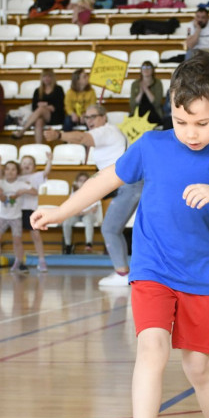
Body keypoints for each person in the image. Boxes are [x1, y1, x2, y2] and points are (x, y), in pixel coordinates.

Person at [30, 51, 209, 418]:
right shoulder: (152, 147)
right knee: (151, 348)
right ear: (171, 109)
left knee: (198, 367)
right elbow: (106, 179)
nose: (191, 133)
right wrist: (62, 210)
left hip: (199, 276)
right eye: (182, 121)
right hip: (152, 268)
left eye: (202, 123)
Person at [45, 104, 132, 286]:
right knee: (114, 229)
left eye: (93, 117)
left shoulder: (106, 131)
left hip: (129, 186)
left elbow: (82, 137)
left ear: (104, 117)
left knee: (109, 229)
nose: (89, 121)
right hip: (126, 186)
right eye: (86, 117)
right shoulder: (107, 133)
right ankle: (124, 272)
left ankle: (123, 274)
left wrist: (59, 135)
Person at [15, 151, 53, 273]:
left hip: (30, 210)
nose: (27, 165)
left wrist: (49, 161)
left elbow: (46, 172)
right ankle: (19, 260)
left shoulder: (36, 176)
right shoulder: (16, 178)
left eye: (30, 163)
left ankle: (41, 260)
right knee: (17, 238)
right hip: (17, 210)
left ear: (34, 167)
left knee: (36, 236)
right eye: (24, 163)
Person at [0, 160, 33, 266]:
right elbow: (0, 197)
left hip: (16, 217)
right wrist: (0, 195)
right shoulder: (0, 183)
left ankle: (20, 262)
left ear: (17, 172)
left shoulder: (20, 184)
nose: (10, 172)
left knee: (17, 241)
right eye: (7, 169)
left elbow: (35, 192)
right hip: (3, 216)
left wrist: (24, 191)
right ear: (4, 171)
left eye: (13, 169)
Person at [60, 171, 102, 254]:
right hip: (76, 214)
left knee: (88, 221)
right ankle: (68, 245)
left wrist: (84, 212)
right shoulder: (74, 193)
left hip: (88, 214)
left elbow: (94, 208)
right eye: (80, 180)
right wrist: (76, 212)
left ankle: (89, 244)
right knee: (66, 222)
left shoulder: (94, 192)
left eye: (84, 180)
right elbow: (70, 206)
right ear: (77, 182)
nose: (82, 182)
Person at [21, 68, 65, 144]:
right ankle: (39, 147)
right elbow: (34, 107)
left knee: (41, 109)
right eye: (44, 76)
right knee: (38, 121)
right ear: (42, 78)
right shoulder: (37, 91)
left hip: (56, 116)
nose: (46, 78)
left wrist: (46, 106)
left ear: (52, 77)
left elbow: (60, 106)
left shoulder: (58, 89)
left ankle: (23, 130)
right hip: (41, 116)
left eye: (49, 76)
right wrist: (46, 106)